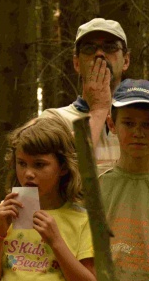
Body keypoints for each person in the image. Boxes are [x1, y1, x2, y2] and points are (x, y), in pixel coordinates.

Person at [0, 116, 98, 281]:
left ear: (63, 167)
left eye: (39, 164)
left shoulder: (81, 220)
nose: (28, 173)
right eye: (22, 163)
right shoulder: (2, 215)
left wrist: (56, 242)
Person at [97, 79, 149, 281]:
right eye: (128, 123)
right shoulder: (94, 184)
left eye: (148, 125)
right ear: (112, 124)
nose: (138, 132)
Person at [43, 18, 130, 171]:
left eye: (110, 47)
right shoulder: (54, 120)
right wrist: (98, 111)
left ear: (126, 61)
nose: (100, 54)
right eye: (89, 48)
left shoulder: (148, 119)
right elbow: (55, 172)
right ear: (76, 63)